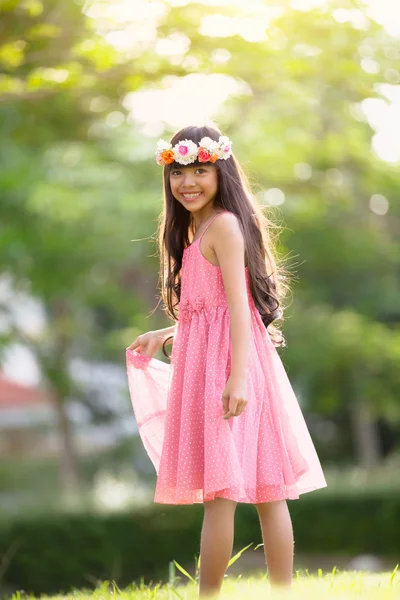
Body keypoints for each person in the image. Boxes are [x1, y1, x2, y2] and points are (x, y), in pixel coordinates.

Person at [126, 123, 327, 598]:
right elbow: (211, 306)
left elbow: (240, 307)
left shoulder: (226, 226)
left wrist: (238, 378)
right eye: (179, 172)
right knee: (242, 491)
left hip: (232, 368)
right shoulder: (196, 229)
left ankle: (226, 594)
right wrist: (168, 331)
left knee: (249, 492)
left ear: (221, 172)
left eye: (200, 170)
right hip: (212, 362)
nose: (187, 182)